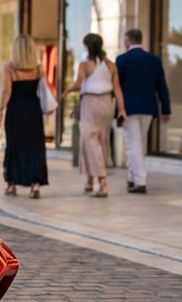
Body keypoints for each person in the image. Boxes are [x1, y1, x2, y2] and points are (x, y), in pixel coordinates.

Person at [64, 33, 127, 198]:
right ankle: (89, 180)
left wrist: (67, 91)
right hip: (106, 103)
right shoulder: (110, 65)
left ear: (88, 46)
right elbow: (117, 89)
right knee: (99, 141)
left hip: (90, 104)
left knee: (91, 142)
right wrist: (122, 109)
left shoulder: (85, 65)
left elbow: (79, 84)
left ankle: (103, 183)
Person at [115, 28, 171, 194]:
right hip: (148, 107)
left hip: (128, 108)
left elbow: (116, 87)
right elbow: (162, 86)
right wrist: (166, 109)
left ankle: (140, 181)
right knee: (139, 143)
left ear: (127, 41)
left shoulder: (122, 60)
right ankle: (132, 177)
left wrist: (118, 109)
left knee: (133, 144)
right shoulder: (153, 60)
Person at [0, 34, 49, 198]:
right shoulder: (38, 69)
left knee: (14, 146)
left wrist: (0, 112)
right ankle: (35, 185)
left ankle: (11, 184)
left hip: (15, 111)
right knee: (35, 147)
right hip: (33, 110)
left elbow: (7, 92)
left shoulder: (9, 68)